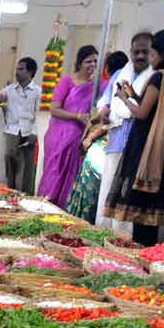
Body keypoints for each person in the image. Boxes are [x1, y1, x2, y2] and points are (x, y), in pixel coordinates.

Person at [103, 29, 164, 246]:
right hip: (162, 144)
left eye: (151, 53)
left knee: (140, 205)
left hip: (146, 145)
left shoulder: (159, 77)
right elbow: (153, 107)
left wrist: (123, 97)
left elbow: (140, 113)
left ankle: (139, 250)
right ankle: (149, 251)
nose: (149, 58)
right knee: (151, 208)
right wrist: (133, 94)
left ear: (160, 54)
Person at [92, 32, 153, 233]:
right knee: (108, 189)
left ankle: (122, 242)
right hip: (116, 140)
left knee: (127, 195)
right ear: (131, 52)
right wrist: (104, 113)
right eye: (137, 51)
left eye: (145, 51)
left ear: (152, 52)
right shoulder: (119, 74)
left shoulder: (155, 77)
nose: (141, 56)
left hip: (139, 145)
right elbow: (104, 103)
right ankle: (102, 236)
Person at [66, 51, 129, 223]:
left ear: (107, 68)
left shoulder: (116, 83)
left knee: (91, 182)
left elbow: (107, 120)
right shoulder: (117, 84)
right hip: (110, 142)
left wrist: (90, 137)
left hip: (104, 143)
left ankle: (83, 220)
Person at [37, 44, 98, 207]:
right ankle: (46, 205)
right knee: (55, 171)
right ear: (79, 63)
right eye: (88, 61)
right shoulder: (67, 82)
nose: (92, 65)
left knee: (72, 174)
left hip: (78, 138)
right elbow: (54, 109)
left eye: (95, 61)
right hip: (59, 137)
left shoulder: (96, 85)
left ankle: (64, 208)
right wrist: (77, 116)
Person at [0, 57, 40, 194]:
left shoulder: (37, 92)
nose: (17, 72)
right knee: (9, 161)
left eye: (21, 69)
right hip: (12, 131)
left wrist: (35, 133)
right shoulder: (10, 89)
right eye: (17, 69)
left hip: (28, 132)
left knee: (26, 166)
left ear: (30, 72)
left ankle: (24, 195)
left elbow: (39, 114)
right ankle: (10, 192)